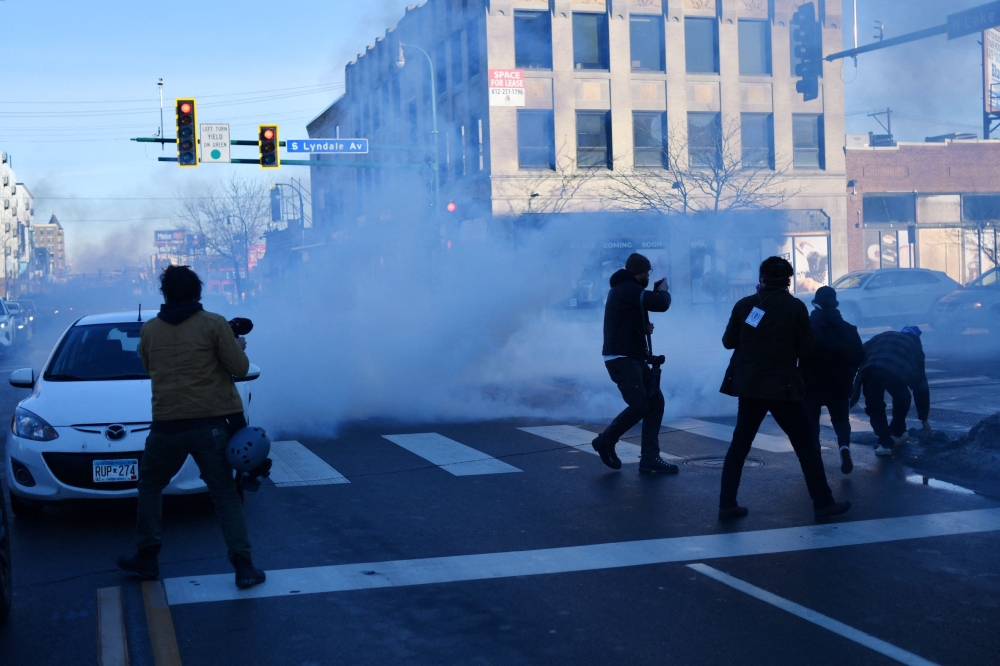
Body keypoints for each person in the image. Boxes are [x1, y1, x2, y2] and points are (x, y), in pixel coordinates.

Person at [117, 265, 266, 589]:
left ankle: (147, 556)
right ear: (198, 292)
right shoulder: (213, 325)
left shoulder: (151, 330)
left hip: (166, 426)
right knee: (225, 495)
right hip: (211, 425)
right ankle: (243, 566)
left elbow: (148, 366)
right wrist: (237, 346)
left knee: (150, 486)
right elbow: (240, 369)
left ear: (165, 294)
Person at [718, 257, 850, 522]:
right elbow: (806, 349)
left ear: (762, 278)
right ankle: (823, 504)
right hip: (783, 387)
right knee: (806, 447)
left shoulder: (746, 306)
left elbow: (728, 342)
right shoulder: (795, 307)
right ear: (789, 280)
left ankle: (727, 505)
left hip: (750, 386)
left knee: (739, 447)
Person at [592, 252, 678, 474]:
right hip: (621, 358)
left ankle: (650, 457)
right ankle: (605, 441)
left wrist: (642, 328)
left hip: (631, 356)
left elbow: (625, 320)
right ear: (640, 272)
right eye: (647, 273)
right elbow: (660, 304)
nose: (648, 277)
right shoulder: (628, 288)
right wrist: (664, 292)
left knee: (655, 402)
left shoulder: (626, 289)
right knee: (640, 405)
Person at [801, 286, 864, 474]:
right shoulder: (849, 329)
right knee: (840, 420)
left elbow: (795, 354)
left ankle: (815, 458)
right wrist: (850, 377)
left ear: (815, 303)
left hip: (810, 384)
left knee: (811, 421)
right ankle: (844, 447)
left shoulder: (806, 329)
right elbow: (859, 357)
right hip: (840, 383)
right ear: (835, 303)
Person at [851, 326, 931, 457]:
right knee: (903, 399)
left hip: (871, 370)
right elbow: (920, 387)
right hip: (896, 375)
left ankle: (885, 442)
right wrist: (924, 419)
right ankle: (897, 431)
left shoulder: (885, 335)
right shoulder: (916, 348)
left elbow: (860, 351)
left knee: (875, 407)